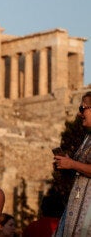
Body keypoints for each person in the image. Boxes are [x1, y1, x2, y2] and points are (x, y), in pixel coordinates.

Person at [54, 91, 91, 236]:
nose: (79, 114)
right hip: (75, 214)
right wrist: (66, 165)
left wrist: (73, 164)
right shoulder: (87, 137)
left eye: (83, 108)